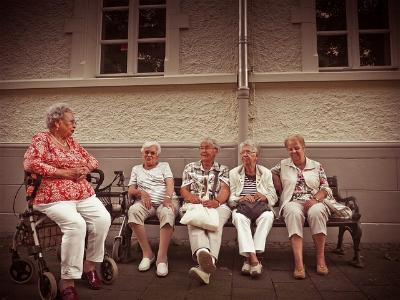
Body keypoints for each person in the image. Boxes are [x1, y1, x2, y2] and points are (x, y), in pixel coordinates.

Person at [23, 103, 111, 300]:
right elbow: (30, 162)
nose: (75, 125)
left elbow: (93, 160)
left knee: (103, 219)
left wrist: (84, 169)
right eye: (71, 122)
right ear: (57, 122)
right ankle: (68, 280)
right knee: (76, 225)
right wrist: (63, 172)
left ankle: (89, 266)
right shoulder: (42, 139)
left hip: (81, 193)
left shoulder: (71, 142)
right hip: (52, 196)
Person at [271, 134, 331, 279]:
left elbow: (326, 188)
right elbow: (271, 172)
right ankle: (299, 263)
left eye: (296, 148)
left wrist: (315, 199)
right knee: (293, 213)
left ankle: (320, 260)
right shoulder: (283, 164)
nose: (293, 152)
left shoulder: (316, 166)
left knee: (317, 212)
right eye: (290, 149)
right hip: (292, 201)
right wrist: (277, 180)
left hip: (314, 201)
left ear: (303, 147)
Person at [180, 138, 231, 285]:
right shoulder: (190, 167)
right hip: (196, 203)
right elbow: (184, 189)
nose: (203, 151)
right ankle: (203, 253)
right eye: (201, 148)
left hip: (218, 205)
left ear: (216, 151)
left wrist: (217, 202)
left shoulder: (223, 169)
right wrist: (191, 197)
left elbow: (225, 189)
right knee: (194, 221)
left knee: (216, 225)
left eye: (207, 148)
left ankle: (205, 263)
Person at [127, 141, 179, 277]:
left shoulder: (164, 166)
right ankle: (148, 254)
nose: (149, 155)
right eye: (146, 152)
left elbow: (170, 183)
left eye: (152, 153)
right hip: (146, 204)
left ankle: (162, 258)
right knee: (133, 211)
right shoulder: (136, 169)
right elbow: (131, 189)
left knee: (168, 212)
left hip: (165, 201)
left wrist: (167, 197)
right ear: (142, 154)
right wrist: (141, 193)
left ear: (157, 156)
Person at [228, 140, 277, 278]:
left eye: (248, 152)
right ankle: (255, 259)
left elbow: (273, 196)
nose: (244, 155)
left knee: (267, 217)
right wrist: (241, 199)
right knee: (239, 218)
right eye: (242, 152)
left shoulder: (266, 173)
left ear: (256, 156)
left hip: (261, 207)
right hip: (242, 207)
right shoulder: (234, 173)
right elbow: (231, 198)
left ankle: (248, 258)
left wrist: (264, 196)